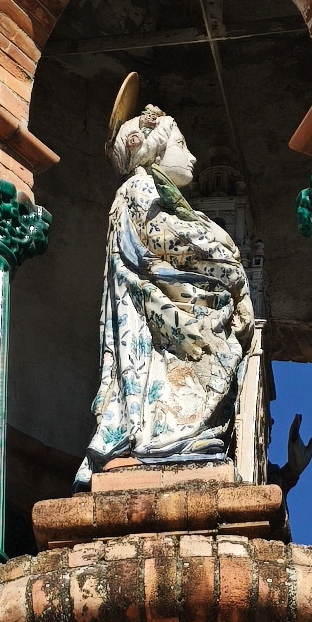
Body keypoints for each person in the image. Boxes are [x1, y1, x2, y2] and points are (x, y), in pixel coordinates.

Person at [81, 100, 259, 477]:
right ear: (154, 152)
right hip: (156, 316)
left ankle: (174, 437)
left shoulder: (155, 193)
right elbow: (168, 238)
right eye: (181, 146)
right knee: (176, 370)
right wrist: (223, 248)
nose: (191, 156)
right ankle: (165, 440)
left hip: (167, 311)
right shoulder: (138, 188)